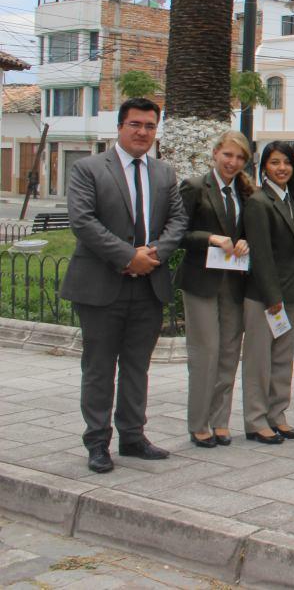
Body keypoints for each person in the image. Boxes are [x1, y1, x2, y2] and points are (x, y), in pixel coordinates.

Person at [61, 98, 187, 473]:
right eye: (135, 124)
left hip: (149, 286)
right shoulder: (88, 169)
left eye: (150, 126)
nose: (142, 132)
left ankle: (133, 436)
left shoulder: (164, 173)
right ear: (120, 127)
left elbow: (178, 220)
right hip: (101, 286)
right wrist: (126, 256)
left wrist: (152, 255)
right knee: (99, 367)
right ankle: (97, 442)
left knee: (137, 366)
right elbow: (82, 221)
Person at [177, 130, 253, 448]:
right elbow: (178, 234)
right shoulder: (195, 187)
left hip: (234, 283)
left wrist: (246, 241)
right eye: (228, 155)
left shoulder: (246, 193)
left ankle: (220, 421)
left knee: (228, 354)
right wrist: (211, 238)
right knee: (205, 353)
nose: (232, 163)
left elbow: (249, 231)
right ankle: (198, 423)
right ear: (215, 153)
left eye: (239, 158)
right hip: (201, 282)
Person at [241, 141, 294, 444]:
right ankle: (256, 420)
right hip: (265, 296)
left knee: (283, 358)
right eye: (274, 162)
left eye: (286, 163)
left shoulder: (291, 199)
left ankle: (277, 414)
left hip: (291, 290)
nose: (282, 168)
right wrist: (272, 297)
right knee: (259, 360)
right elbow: (261, 254)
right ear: (263, 166)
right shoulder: (259, 201)